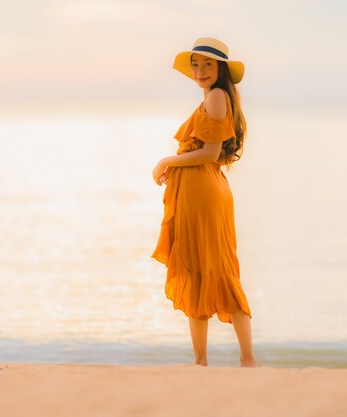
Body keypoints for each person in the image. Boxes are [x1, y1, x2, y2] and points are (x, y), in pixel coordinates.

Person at [151, 37, 257, 368]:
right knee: (200, 269)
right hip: (204, 189)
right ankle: (206, 362)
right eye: (196, 64)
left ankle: (244, 359)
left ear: (221, 68)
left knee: (216, 269)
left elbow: (210, 153)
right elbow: (216, 158)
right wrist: (182, 167)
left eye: (208, 64)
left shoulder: (215, 96)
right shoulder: (217, 98)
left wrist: (167, 160)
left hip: (204, 196)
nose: (200, 70)